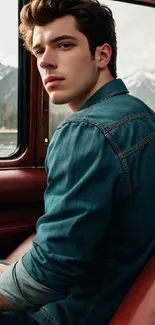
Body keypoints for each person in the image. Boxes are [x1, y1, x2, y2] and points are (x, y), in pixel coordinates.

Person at [0, 0, 155, 324]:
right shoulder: (140, 116)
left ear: (102, 55)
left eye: (64, 45)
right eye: (39, 50)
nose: (45, 61)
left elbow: (50, 273)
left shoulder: (86, 131)